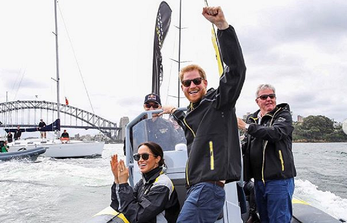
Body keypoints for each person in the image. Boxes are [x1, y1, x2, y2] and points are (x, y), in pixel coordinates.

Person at [161, 6, 246, 222]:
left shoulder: (219, 103)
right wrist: (170, 110)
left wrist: (222, 27)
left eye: (196, 81)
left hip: (207, 188)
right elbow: (184, 116)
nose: (192, 85)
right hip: (196, 188)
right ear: (182, 88)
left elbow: (236, 70)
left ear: (205, 83)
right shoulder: (190, 113)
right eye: (187, 83)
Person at [237, 84, 296, 223]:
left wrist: (246, 127)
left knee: (279, 219)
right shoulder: (253, 119)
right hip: (258, 182)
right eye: (264, 97)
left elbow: (275, 133)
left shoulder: (283, 115)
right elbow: (247, 146)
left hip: (279, 180)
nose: (269, 99)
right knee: (264, 218)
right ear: (257, 101)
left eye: (272, 96)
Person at [110, 141, 180, 223]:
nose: (140, 160)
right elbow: (118, 205)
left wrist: (123, 184)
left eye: (145, 156)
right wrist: (117, 180)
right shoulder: (143, 182)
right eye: (137, 157)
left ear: (157, 159)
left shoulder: (162, 185)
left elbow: (137, 216)